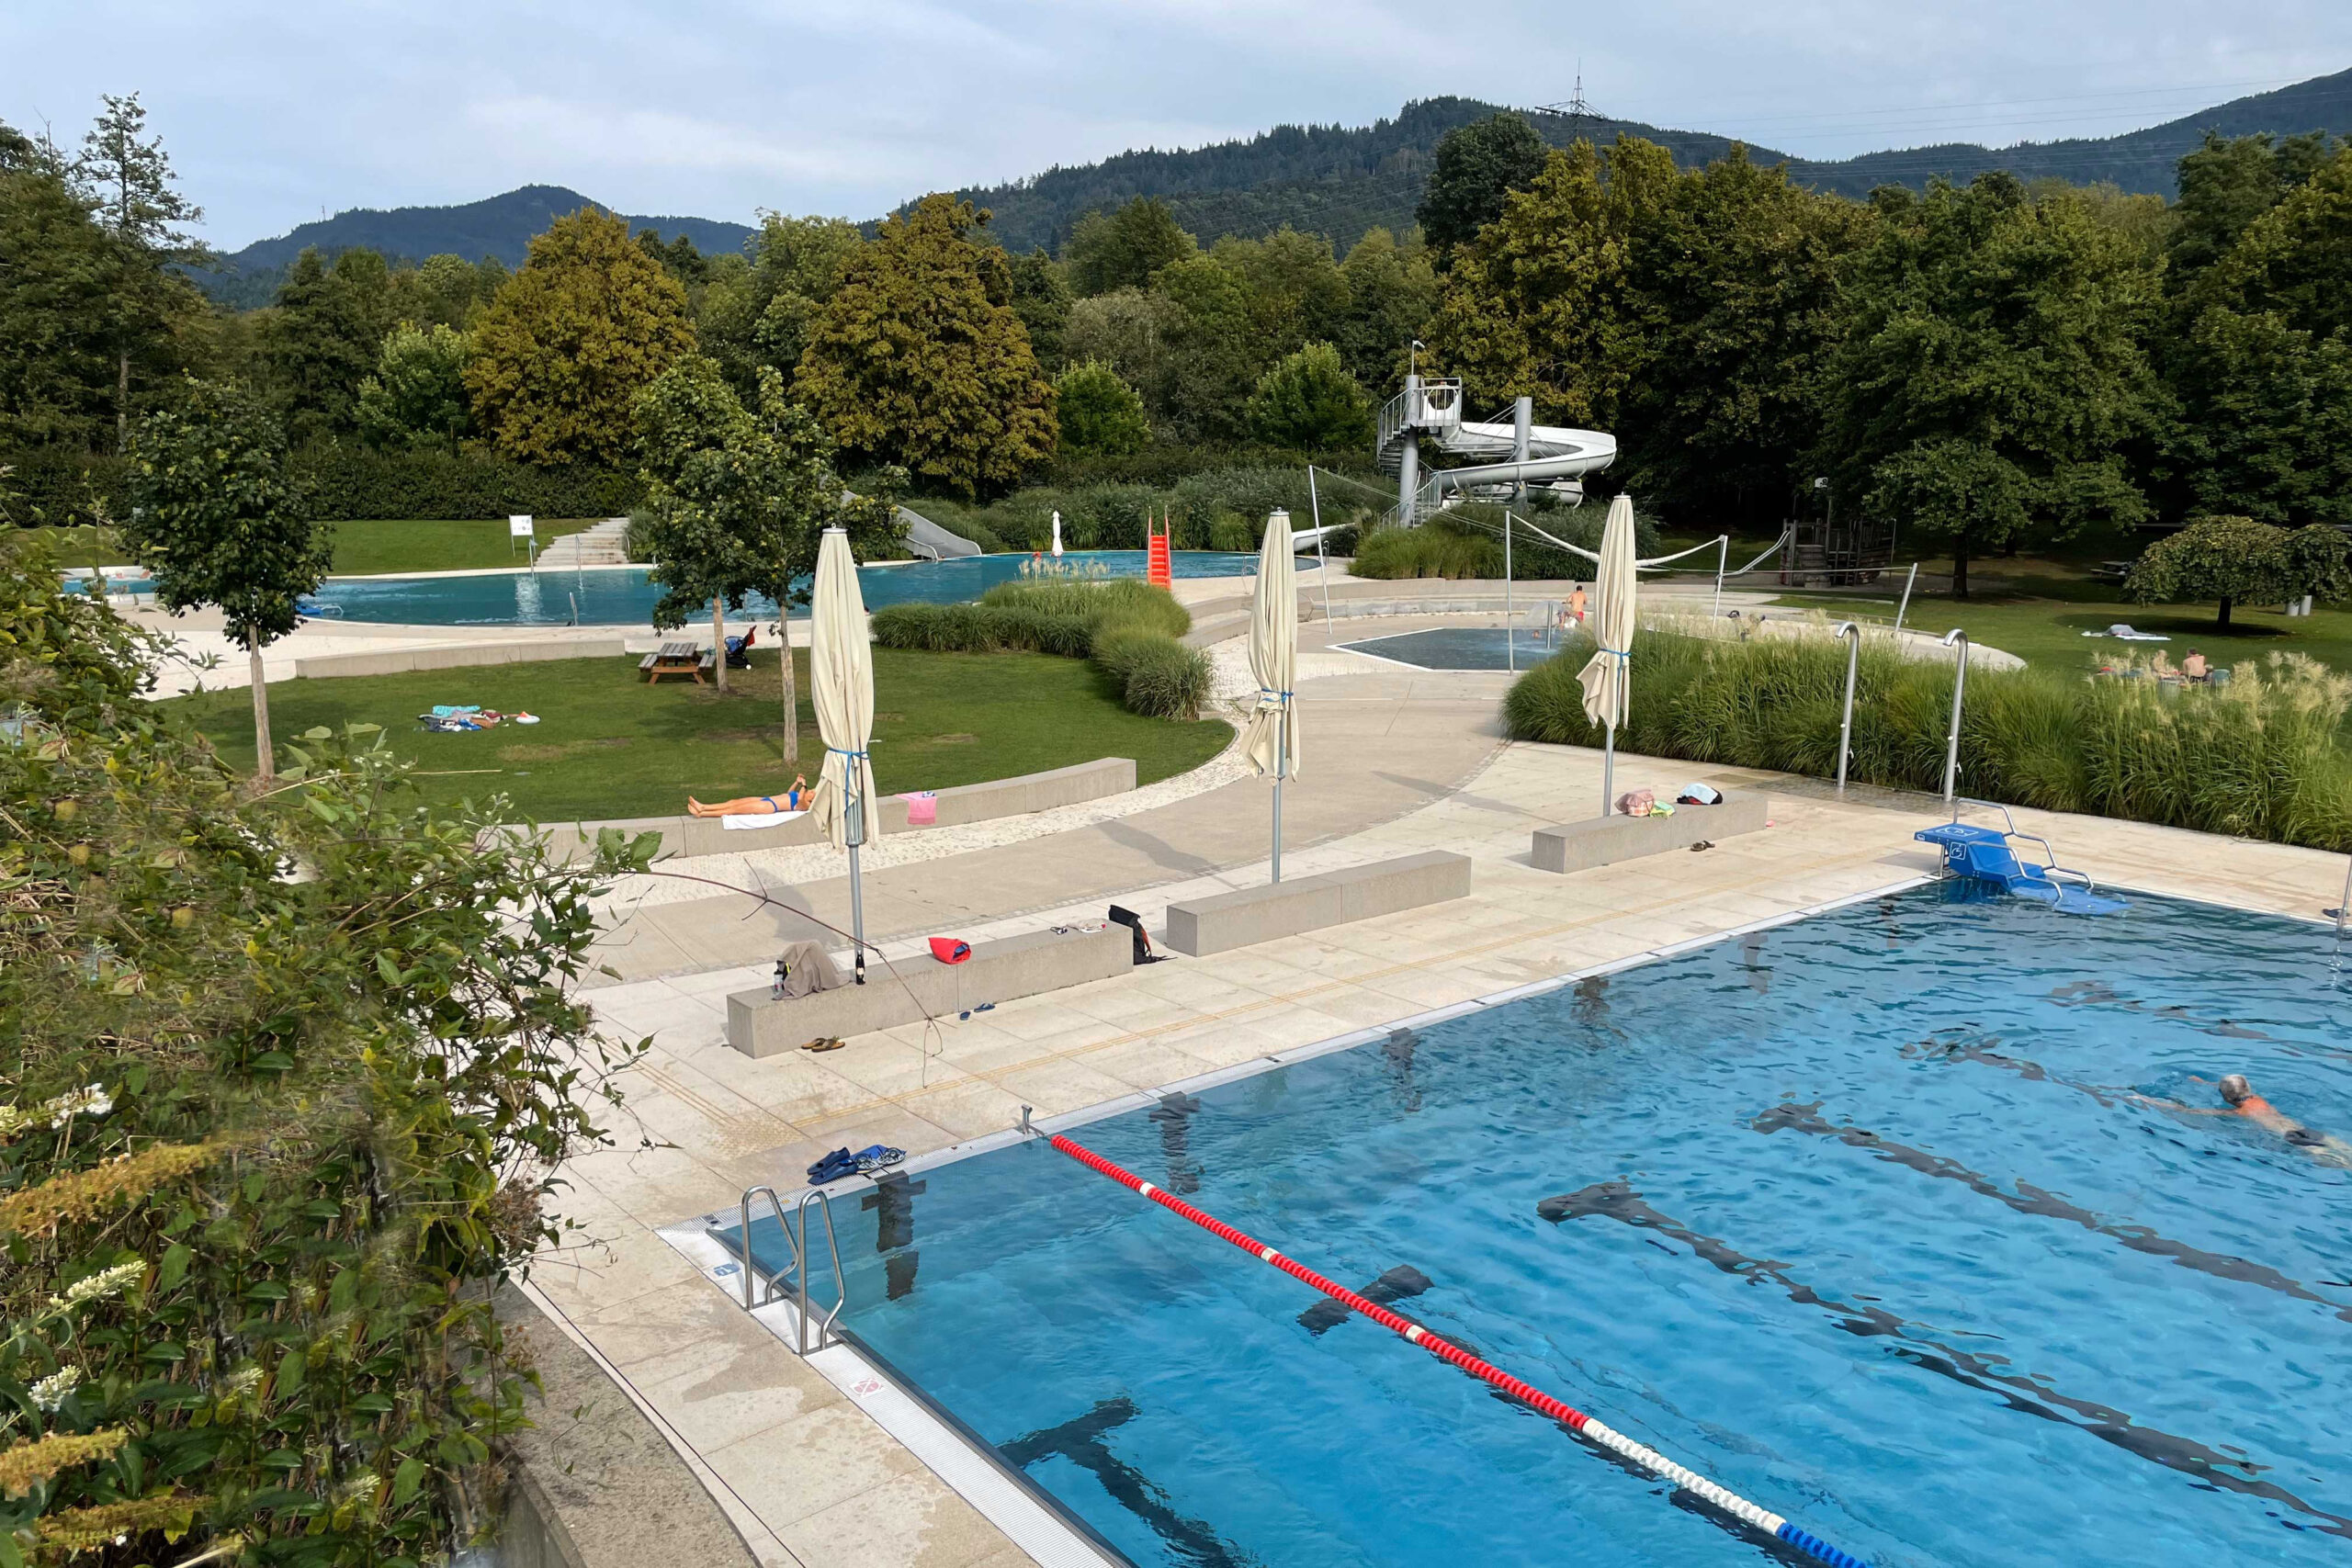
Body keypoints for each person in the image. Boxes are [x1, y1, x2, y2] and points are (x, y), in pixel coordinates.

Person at [2145, 1074, 2352, 1166]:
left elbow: (2192, 1112)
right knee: (2343, 1148)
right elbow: (2236, 1091)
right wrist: (2203, 1082)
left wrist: (2151, 1102)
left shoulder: (2240, 1113)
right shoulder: (2257, 1099)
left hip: (2291, 1138)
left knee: (2337, 1163)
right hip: (2305, 1129)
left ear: (2226, 1098)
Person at [687, 774, 808, 817]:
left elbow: (798, 798)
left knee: (734, 810)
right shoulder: (800, 794)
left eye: (813, 792)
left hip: (770, 806)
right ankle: (703, 806)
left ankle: (702, 812)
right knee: (733, 802)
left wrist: (804, 785)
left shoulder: (805, 804)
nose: (812, 792)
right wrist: (796, 782)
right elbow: (789, 794)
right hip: (766, 799)